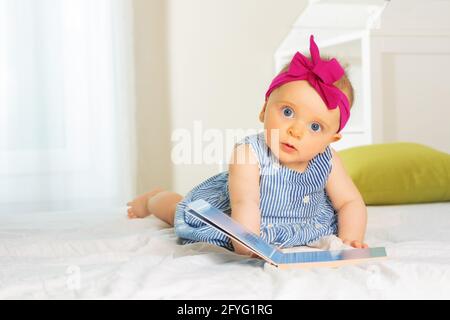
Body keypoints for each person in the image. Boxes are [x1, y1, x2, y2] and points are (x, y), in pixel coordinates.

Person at [127, 35, 368, 257]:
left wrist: (350, 239)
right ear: (264, 110)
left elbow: (349, 202)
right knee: (179, 211)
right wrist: (249, 243)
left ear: (331, 139)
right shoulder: (249, 154)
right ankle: (152, 199)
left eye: (315, 127)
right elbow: (245, 203)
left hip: (303, 222)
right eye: (287, 112)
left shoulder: (329, 160)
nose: (296, 130)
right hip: (237, 217)